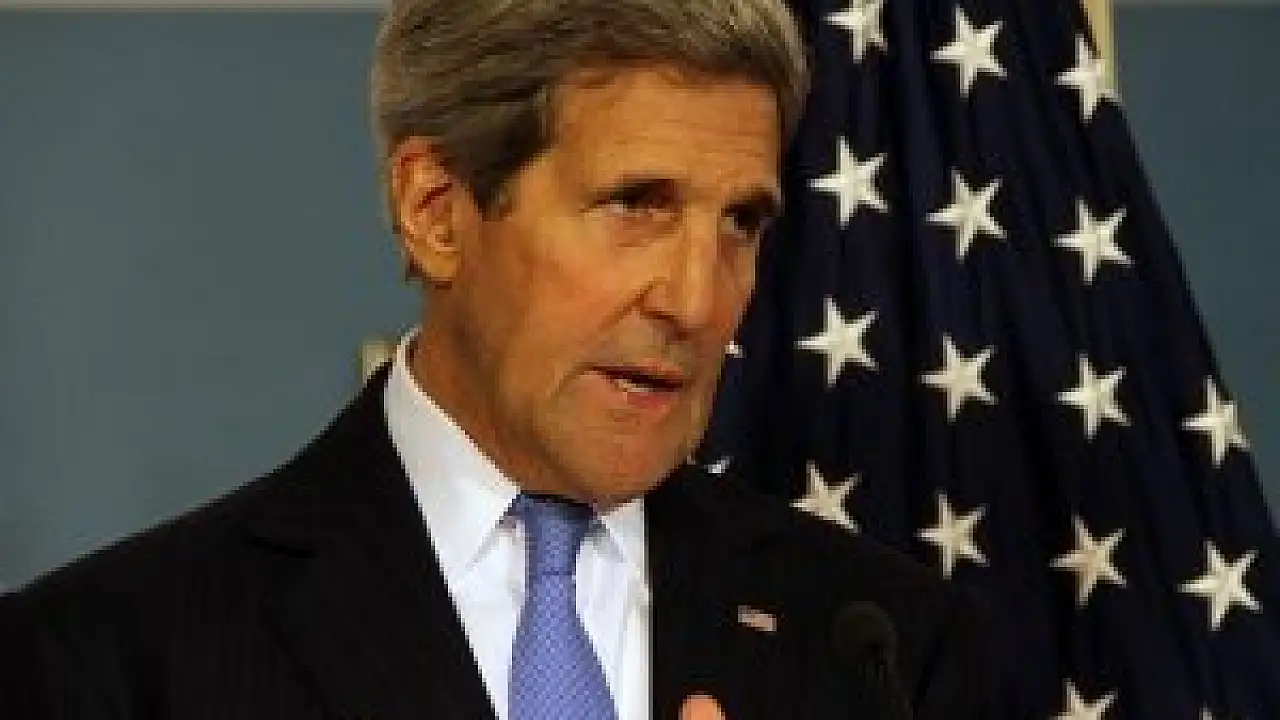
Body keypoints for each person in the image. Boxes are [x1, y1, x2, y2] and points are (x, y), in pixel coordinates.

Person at [0, 0, 992, 717]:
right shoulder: (104, 662)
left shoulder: (886, 655)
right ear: (436, 211)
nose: (696, 302)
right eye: (635, 205)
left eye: (739, 222)